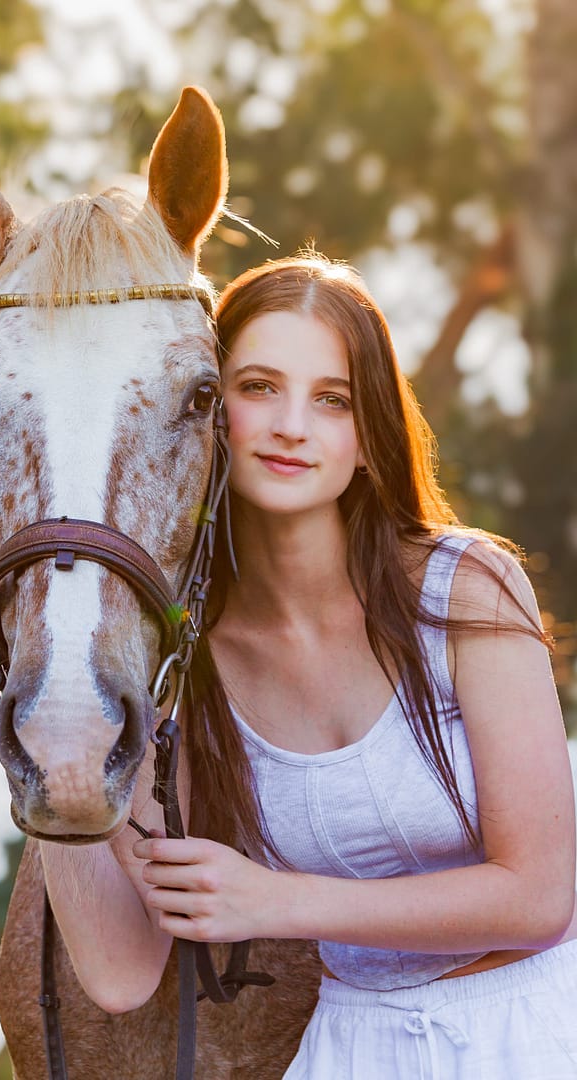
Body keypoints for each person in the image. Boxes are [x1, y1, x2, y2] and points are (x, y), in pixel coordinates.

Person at [41, 254, 577, 1078]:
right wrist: (48, 709)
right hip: (351, 1051)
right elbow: (119, 971)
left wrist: (276, 899)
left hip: (539, 1023)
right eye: (257, 387)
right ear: (206, 413)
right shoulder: (187, 662)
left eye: (333, 400)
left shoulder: (462, 587)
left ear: (369, 438)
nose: (292, 424)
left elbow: (540, 899)